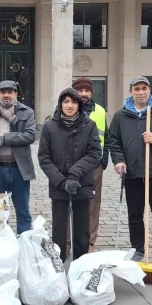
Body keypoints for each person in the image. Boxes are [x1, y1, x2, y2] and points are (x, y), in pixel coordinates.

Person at [108, 76, 152, 275]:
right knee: (135, 216)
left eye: (144, 88)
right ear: (131, 91)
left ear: (150, 90)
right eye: (137, 89)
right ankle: (138, 249)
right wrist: (119, 160)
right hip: (132, 174)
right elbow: (113, 142)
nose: (141, 92)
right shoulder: (121, 116)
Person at [37, 88, 101, 262]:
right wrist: (61, 180)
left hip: (82, 183)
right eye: (66, 101)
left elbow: (94, 153)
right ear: (60, 104)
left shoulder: (89, 125)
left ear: (79, 105)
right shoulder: (50, 126)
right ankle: (58, 265)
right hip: (59, 186)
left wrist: (74, 174)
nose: (70, 105)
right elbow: (44, 157)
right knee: (59, 230)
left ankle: (81, 265)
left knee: (82, 230)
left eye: (73, 102)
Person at [0, 80, 36, 234]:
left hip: (19, 169)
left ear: (16, 94)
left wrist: (3, 139)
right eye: (2, 92)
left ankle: (24, 241)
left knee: (23, 210)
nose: (6, 95)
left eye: (10, 92)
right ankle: (3, 243)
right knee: (0, 211)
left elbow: (29, 136)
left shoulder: (27, 112)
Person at [71, 77, 111, 252]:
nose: (84, 94)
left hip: (94, 166)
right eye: (80, 90)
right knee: (67, 204)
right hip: (70, 165)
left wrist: (103, 161)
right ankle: (66, 242)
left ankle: (89, 243)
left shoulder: (100, 111)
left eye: (87, 91)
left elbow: (107, 137)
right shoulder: (67, 108)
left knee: (93, 205)